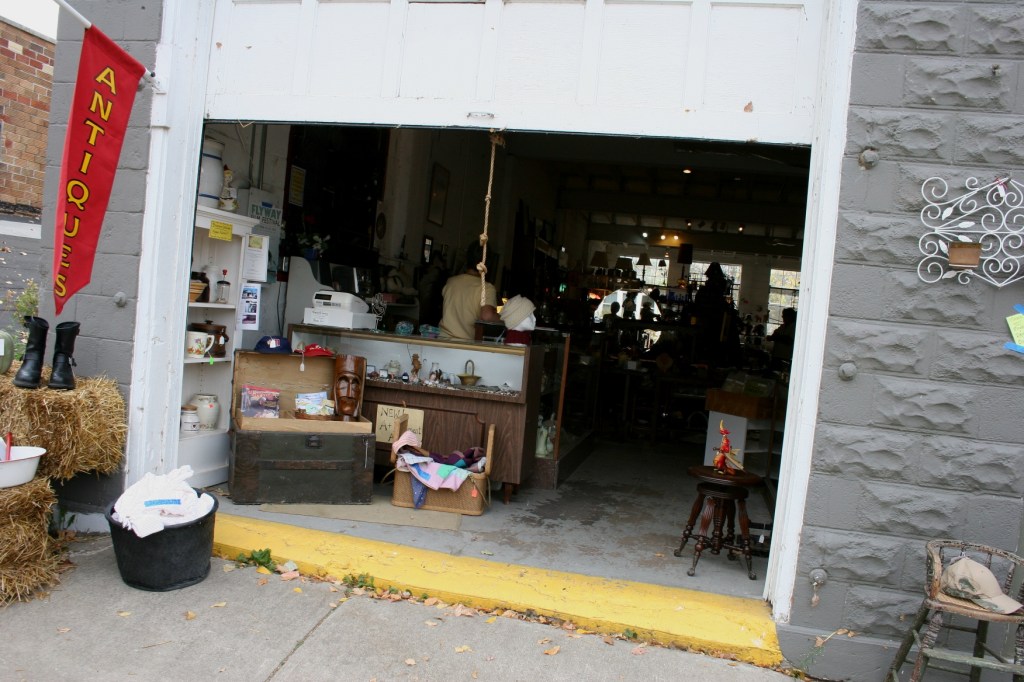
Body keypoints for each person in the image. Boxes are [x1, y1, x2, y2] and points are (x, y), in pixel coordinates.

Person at [439, 240, 501, 340]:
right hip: (464, 346)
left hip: (441, 339)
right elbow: (487, 316)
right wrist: (508, 319)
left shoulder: (451, 282)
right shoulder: (487, 288)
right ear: (487, 264)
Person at [417, 250, 448, 326]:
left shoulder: (434, 272)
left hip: (429, 305)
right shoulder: (441, 273)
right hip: (435, 306)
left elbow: (421, 285)